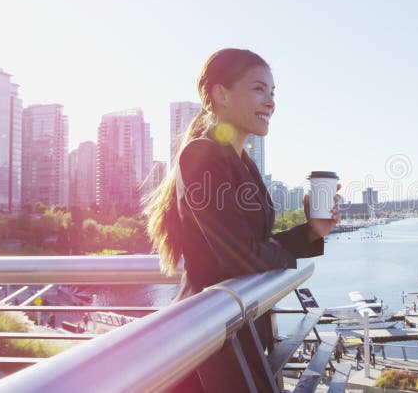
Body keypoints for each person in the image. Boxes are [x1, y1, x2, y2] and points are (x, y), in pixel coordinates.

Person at [145, 48, 340, 392]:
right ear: (221, 94)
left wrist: (314, 230)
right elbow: (243, 256)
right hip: (207, 335)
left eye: (273, 93)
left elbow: (252, 243)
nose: (270, 102)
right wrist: (291, 249)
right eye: (258, 89)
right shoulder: (201, 156)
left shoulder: (244, 164)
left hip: (238, 328)